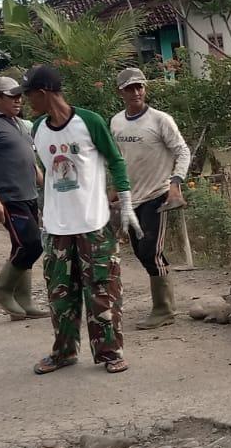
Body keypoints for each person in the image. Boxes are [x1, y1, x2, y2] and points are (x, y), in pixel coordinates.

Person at [23, 64, 143, 375]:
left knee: (102, 291)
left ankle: (109, 353)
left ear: (44, 92)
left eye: (29, 94)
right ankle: (64, 352)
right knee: (60, 294)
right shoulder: (38, 129)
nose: (26, 101)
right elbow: (49, 172)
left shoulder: (89, 122)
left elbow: (115, 161)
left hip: (94, 225)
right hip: (57, 227)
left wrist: (126, 204)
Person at [108, 67, 192, 329]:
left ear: (145, 89)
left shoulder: (160, 120)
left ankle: (164, 309)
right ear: (120, 92)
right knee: (141, 252)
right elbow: (117, 158)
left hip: (159, 193)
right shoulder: (116, 122)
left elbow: (182, 151)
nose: (136, 92)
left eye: (139, 87)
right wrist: (113, 188)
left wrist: (176, 183)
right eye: (130, 88)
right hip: (131, 199)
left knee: (150, 250)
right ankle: (163, 304)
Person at [0, 76, 49, 321]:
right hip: (9, 197)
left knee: (21, 246)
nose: (18, 100)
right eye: (11, 96)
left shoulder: (18, 123)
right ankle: (1, 290)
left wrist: (39, 175)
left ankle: (23, 301)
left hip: (28, 194)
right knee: (32, 244)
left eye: (19, 96)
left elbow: (28, 153)